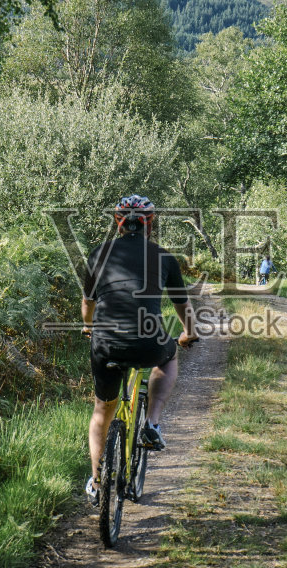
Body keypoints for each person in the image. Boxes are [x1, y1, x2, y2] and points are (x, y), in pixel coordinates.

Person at [81, 195, 199, 505]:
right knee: (170, 354)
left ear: (118, 224)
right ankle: (153, 423)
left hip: (105, 344)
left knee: (101, 413)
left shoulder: (98, 254)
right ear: (150, 225)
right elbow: (182, 306)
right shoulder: (164, 258)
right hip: (148, 343)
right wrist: (189, 334)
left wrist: (89, 327)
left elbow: (87, 304)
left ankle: (96, 480)